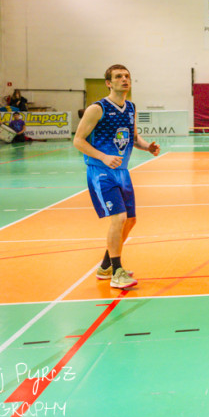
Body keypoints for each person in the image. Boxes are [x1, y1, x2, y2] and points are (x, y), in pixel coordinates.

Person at [73, 64, 160, 290]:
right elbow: (78, 141)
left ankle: (105, 267)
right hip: (101, 170)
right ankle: (117, 271)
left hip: (122, 171)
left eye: (127, 76)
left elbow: (132, 138)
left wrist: (147, 147)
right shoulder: (97, 108)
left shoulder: (130, 108)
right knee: (119, 218)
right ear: (108, 83)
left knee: (130, 220)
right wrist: (103, 157)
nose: (124, 79)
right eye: (118, 76)